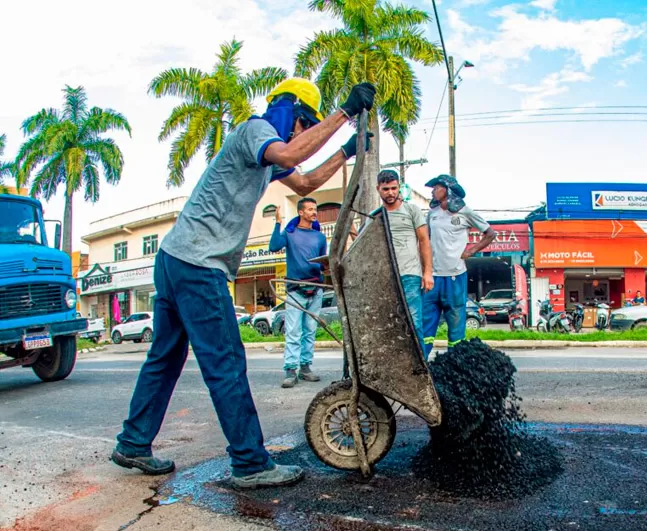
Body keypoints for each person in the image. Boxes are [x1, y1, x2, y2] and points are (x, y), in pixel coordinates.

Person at [110, 78, 376, 489]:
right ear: (290, 113)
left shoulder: (266, 156)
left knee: (165, 358)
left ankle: (133, 442)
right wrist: (344, 113)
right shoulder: (257, 130)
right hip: (199, 265)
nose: (303, 133)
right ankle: (250, 463)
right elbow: (291, 152)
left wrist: (345, 151)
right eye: (304, 124)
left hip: (175, 258)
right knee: (227, 364)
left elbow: (305, 183)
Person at [421, 174, 496, 358]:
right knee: (425, 325)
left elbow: (490, 234)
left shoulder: (465, 212)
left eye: (436, 187)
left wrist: (471, 251)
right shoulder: (432, 214)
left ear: (448, 190)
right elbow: (425, 241)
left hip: (456, 276)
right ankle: (421, 364)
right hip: (433, 277)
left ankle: (455, 363)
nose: (433, 191)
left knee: (456, 327)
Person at [371, 169, 433, 350]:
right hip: (385, 277)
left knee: (414, 322)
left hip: (410, 275)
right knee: (389, 325)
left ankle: (420, 365)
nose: (390, 193)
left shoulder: (412, 210)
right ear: (378, 189)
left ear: (399, 187)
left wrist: (428, 272)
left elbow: (424, 241)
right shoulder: (375, 216)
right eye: (385, 189)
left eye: (394, 188)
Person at [270, 198, 328, 387]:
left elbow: (323, 263)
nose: (314, 212)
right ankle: (290, 370)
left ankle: (305, 367)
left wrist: (326, 266)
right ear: (301, 212)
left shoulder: (320, 237)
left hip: (316, 289)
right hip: (295, 290)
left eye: (315, 209)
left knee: (310, 330)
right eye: (310, 209)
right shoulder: (290, 233)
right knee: (294, 331)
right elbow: (273, 246)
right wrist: (278, 222)